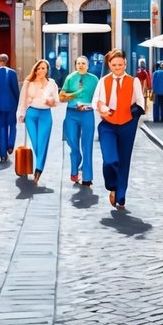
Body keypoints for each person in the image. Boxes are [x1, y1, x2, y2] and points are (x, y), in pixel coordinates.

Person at [93, 48, 145, 210]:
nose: (117, 68)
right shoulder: (103, 81)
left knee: (124, 161)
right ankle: (112, 186)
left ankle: (121, 196)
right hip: (107, 125)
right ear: (109, 65)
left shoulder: (133, 81)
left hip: (127, 125)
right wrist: (102, 108)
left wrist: (136, 112)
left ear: (125, 64)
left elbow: (140, 101)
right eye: (114, 65)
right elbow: (96, 101)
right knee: (110, 160)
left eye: (120, 65)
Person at [17, 59, 59, 184]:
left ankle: (39, 169)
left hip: (46, 115)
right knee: (35, 143)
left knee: (42, 142)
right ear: (35, 69)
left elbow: (56, 100)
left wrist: (51, 102)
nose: (41, 70)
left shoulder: (51, 83)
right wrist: (21, 114)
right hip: (31, 114)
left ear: (47, 70)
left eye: (44, 68)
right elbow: (22, 100)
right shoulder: (28, 82)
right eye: (39, 68)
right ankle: (39, 165)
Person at [60, 55, 98, 187]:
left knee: (87, 145)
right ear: (76, 65)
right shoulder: (70, 78)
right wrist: (76, 93)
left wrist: (89, 105)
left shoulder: (94, 79)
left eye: (83, 63)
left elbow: (98, 98)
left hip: (87, 113)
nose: (81, 65)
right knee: (73, 145)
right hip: (71, 113)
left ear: (88, 66)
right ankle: (76, 167)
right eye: (78, 63)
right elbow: (62, 97)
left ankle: (87, 177)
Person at [0, 53, 20, 163]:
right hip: (11, 104)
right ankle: (10, 145)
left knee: (1, 128)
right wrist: (18, 103)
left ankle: (3, 155)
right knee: (13, 125)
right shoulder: (12, 73)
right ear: (7, 61)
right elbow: (16, 90)